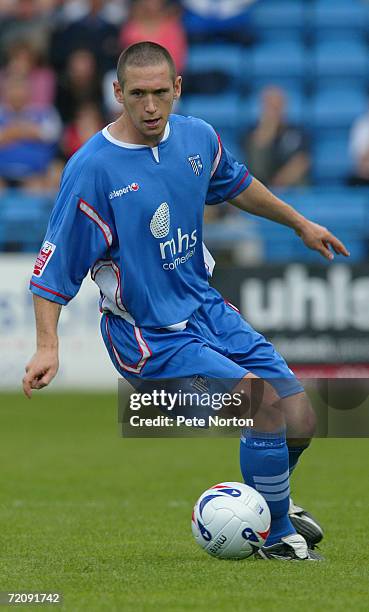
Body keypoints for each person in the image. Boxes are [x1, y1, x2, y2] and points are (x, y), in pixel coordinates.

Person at [23, 42, 349, 561]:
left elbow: (238, 185)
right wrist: (47, 346)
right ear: (118, 94)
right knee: (259, 404)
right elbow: (52, 269)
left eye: (159, 93)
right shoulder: (92, 169)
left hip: (206, 309)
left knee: (301, 416)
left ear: (177, 89)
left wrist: (301, 223)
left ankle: (270, 502)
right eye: (137, 94)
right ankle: (278, 534)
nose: (149, 106)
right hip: (148, 338)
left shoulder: (197, 137)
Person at [243, 86, 310, 188]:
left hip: (288, 187)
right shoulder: (251, 132)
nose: (274, 111)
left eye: (277, 106)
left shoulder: (297, 132)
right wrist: (267, 130)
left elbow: (302, 161)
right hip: (259, 187)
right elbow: (255, 168)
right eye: (270, 106)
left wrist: (279, 184)